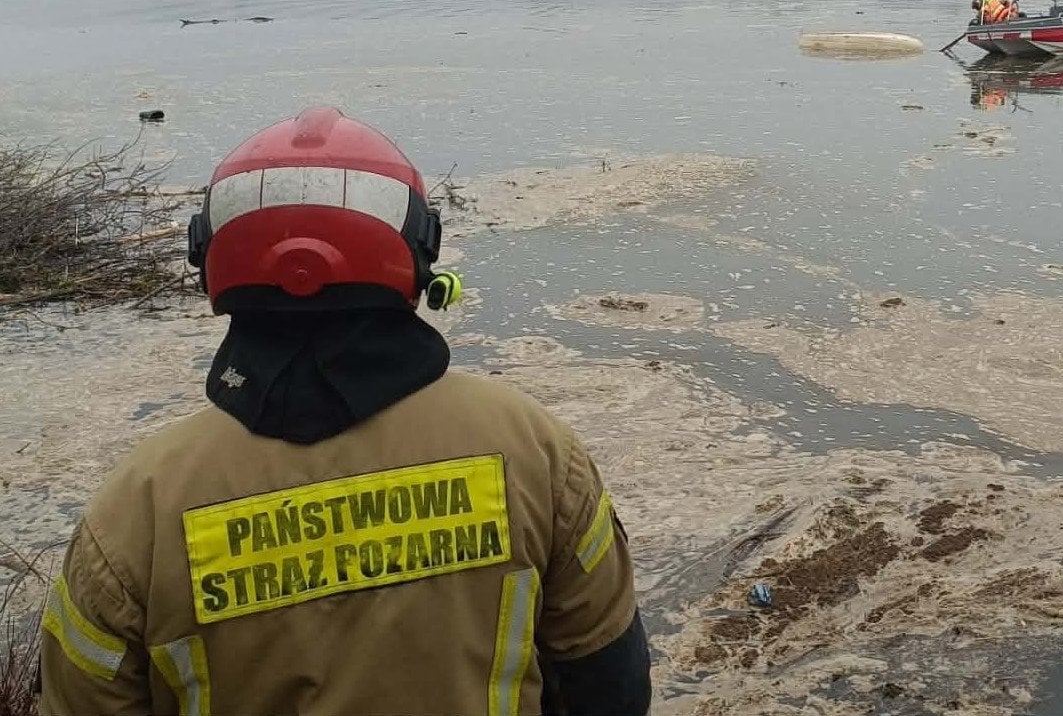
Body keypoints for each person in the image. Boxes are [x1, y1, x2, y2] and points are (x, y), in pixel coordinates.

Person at [37, 106, 651, 716]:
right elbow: (612, 684)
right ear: (418, 253)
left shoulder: (133, 509)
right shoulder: (536, 451)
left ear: (211, 261)